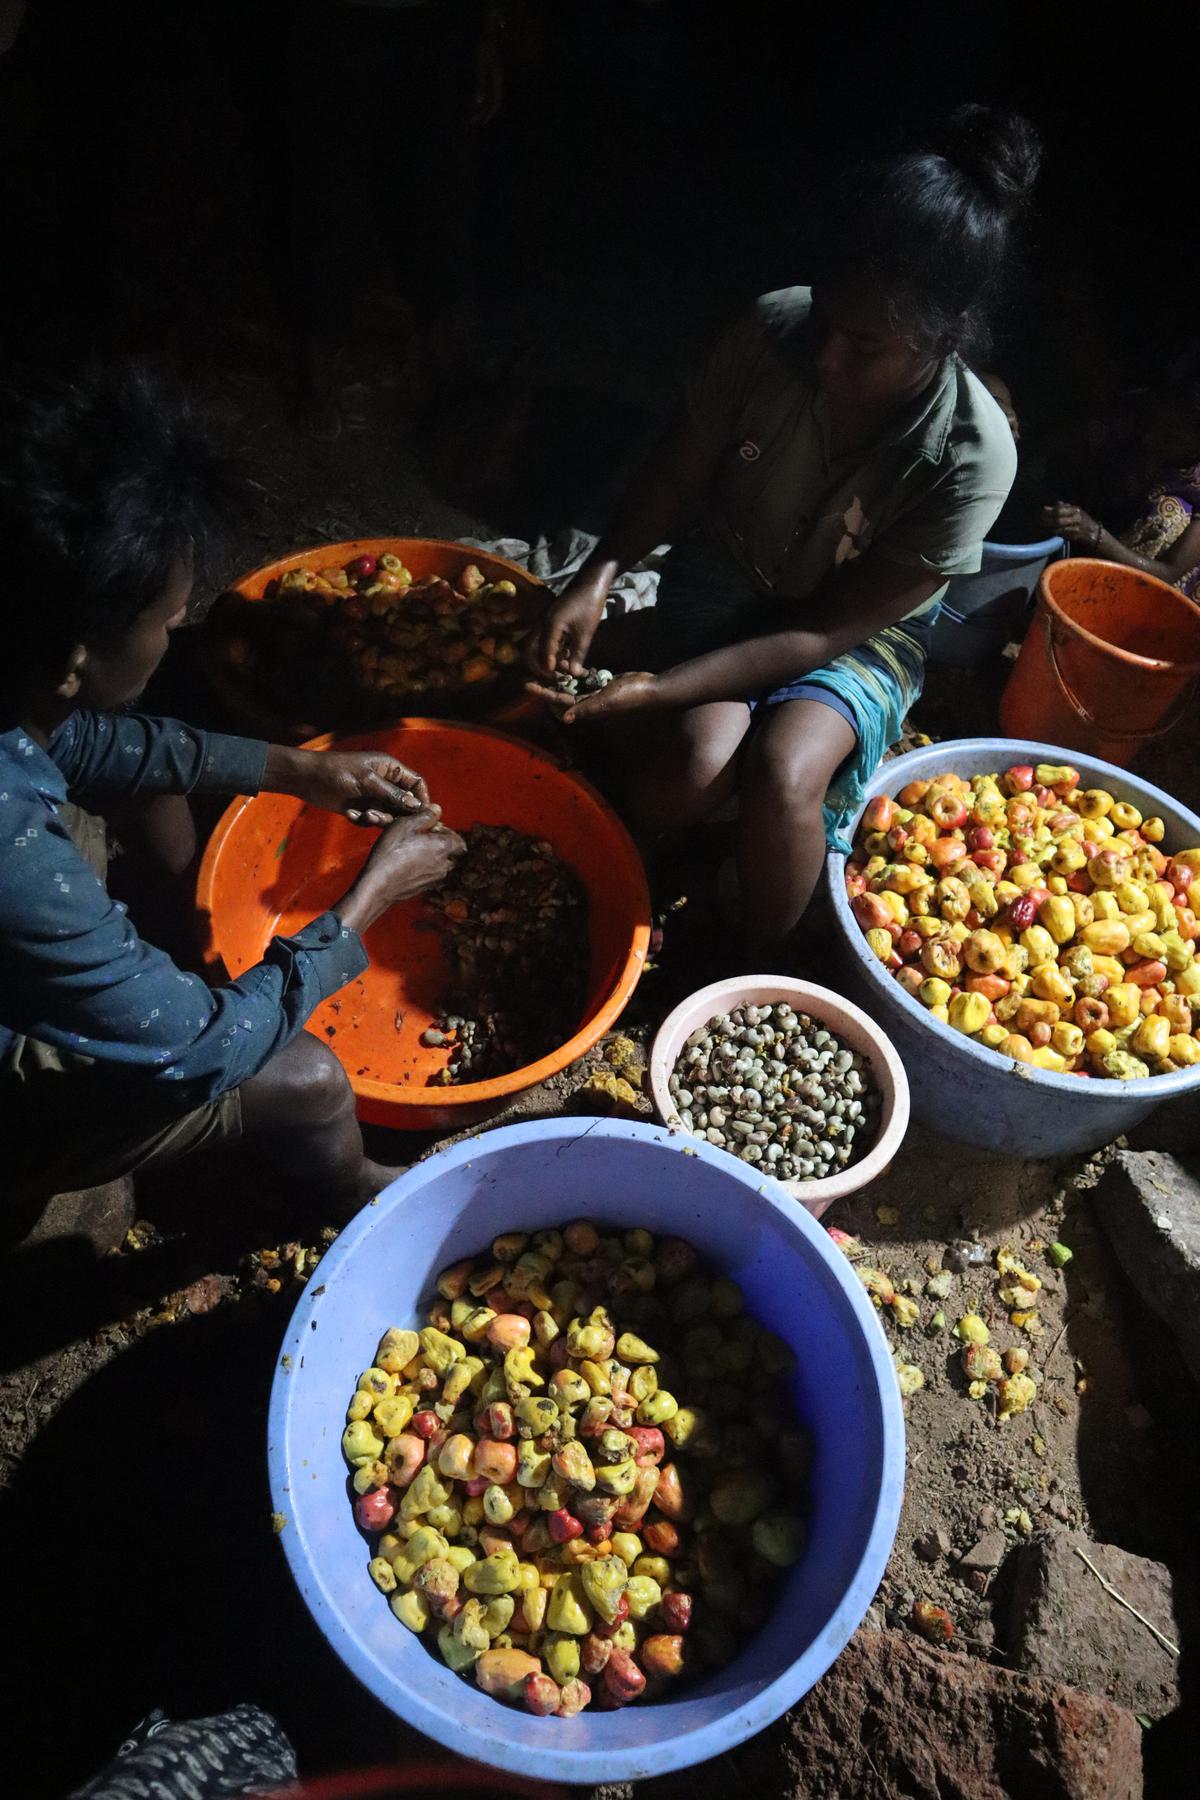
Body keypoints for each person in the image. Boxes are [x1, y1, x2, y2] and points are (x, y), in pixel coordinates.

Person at [528, 105, 1037, 955]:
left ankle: (750, 955)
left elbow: (820, 629)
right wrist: (600, 572)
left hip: (854, 636)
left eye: (865, 346)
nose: (829, 357)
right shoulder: (775, 330)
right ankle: (651, 829)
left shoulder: (972, 454)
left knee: (786, 774)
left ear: (942, 339)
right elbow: (679, 471)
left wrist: (658, 687)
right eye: (827, 325)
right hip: (730, 570)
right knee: (685, 775)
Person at [0, 366, 463, 1238]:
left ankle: (191, 962)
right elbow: (196, 1053)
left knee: (160, 774)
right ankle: (349, 1198)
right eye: (170, 622)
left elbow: (86, 742)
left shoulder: (19, 677)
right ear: (71, 656)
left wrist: (299, 769)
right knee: (311, 1079)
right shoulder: (13, 854)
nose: (178, 634)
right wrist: (367, 901)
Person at [1043, 347, 1200, 599]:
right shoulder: (1133, 417)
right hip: (1094, 536)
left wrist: (1094, 534)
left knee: (1170, 513)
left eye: (1170, 433)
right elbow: (1063, 451)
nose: (1152, 436)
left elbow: (1170, 572)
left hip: (1155, 590)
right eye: (1157, 423)